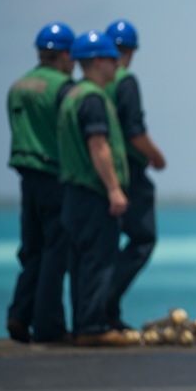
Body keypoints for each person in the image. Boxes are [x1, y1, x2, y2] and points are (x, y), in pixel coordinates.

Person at [57, 31, 137, 347]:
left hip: (73, 192)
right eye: (112, 58)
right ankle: (92, 326)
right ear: (97, 61)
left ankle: (83, 323)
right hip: (92, 191)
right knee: (98, 258)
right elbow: (98, 144)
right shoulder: (92, 98)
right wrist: (114, 189)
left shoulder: (72, 94)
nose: (118, 64)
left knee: (80, 260)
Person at [5, 22, 76, 344]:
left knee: (31, 249)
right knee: (55, 251)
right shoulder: (62, 88)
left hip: (26, 176)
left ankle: (19, 314)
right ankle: (49, 325)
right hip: (55, 176)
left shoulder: (17, 86)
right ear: (63, 55)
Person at [103, 19, 167, 330]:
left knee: (104, 243)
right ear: (129, 52)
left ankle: (99, 312)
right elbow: (133, 132)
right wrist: (156, 157)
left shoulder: (91, 84)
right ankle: (106, 305)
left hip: (99, 174)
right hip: (128, 173)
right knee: (143, 237)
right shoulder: (125, 81)